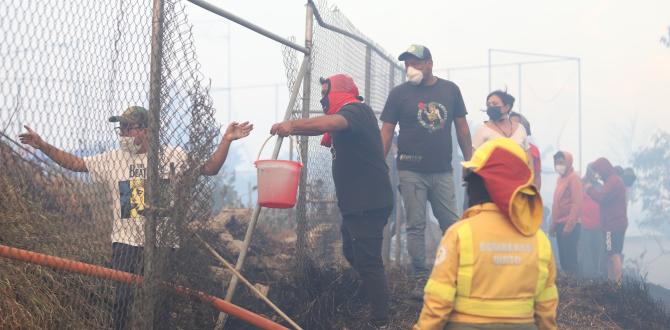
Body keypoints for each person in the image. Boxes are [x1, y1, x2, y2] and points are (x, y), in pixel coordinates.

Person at [19, 106, 253, 330]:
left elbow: (209, 168)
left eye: (128, 128)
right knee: (122, 301)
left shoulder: (172, 155)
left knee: (160, 303)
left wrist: (226, 140)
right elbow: (76, 163)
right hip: (125, 243)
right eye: (120, 129)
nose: (123, 134)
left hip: (162, 243)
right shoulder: (114, 159)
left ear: (146, 130)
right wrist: (42, 145)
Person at [271, 74, 394, 329]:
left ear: (340, 92)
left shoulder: (356, 111)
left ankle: (381, 320)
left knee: (369, 260)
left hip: (367, 201)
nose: (323, 98)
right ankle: (373, 291)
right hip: (357, 202)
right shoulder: (352, 114)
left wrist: (292, 125)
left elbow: (332, 122)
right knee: (352, 250)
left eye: (327, 92)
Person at [414, 138, 558, 330]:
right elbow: (546, 307)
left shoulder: (460, 234)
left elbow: (438, 301)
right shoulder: (538, 239)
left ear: (481, 183)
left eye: (469, 181)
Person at [380, 44, 473, 285]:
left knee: (452, 224)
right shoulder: (399, 94)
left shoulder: (450, 90)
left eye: (416, 63)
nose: (410, 68)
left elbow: (462, 129)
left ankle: (455, 274)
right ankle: (420, 277)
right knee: (415, 225)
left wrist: (471, 160)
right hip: (410, 171)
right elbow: (387, 131)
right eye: (407, 64)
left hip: (442, 170)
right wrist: (380, 163)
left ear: (430, 63)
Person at [585, 157, 628, 284]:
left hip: (612, 226)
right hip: (613, 224)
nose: (597, 174)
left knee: (613, 253)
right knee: (610, 254)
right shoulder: (613, 180)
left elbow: (601, 198)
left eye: (597, 171)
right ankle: (611, 282)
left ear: (603, 169)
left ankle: (617, 282)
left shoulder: (613, 181)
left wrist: (589, 189)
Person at [550, 151, 582, 275]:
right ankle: (569, 289)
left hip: (571, 226)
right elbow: (556, 204)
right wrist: (553, 225)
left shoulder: (574, 178)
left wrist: (569, 225)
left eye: (561, 162)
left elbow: (577, 204)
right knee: (563, 260)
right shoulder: (560, 180)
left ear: (568, 162)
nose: (559, 165)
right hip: (559, 225)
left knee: (570, 260)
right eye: (557, 163)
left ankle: (576, 288)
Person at [578, 167, 603, 278]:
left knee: (597, 247)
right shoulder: (581, 184)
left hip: (598, 224)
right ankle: (583, 272)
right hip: (584, 223)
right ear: (588, 172)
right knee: (584, 248)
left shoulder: (600, 186)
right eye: (593, 172)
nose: (595, 174)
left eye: (596, 172)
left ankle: (596, 270)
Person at [510, 112, 542, 190]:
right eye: (510, 123)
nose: (513, 127)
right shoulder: (501, 146)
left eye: (517, 124)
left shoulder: (534, 150)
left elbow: (537, 176)